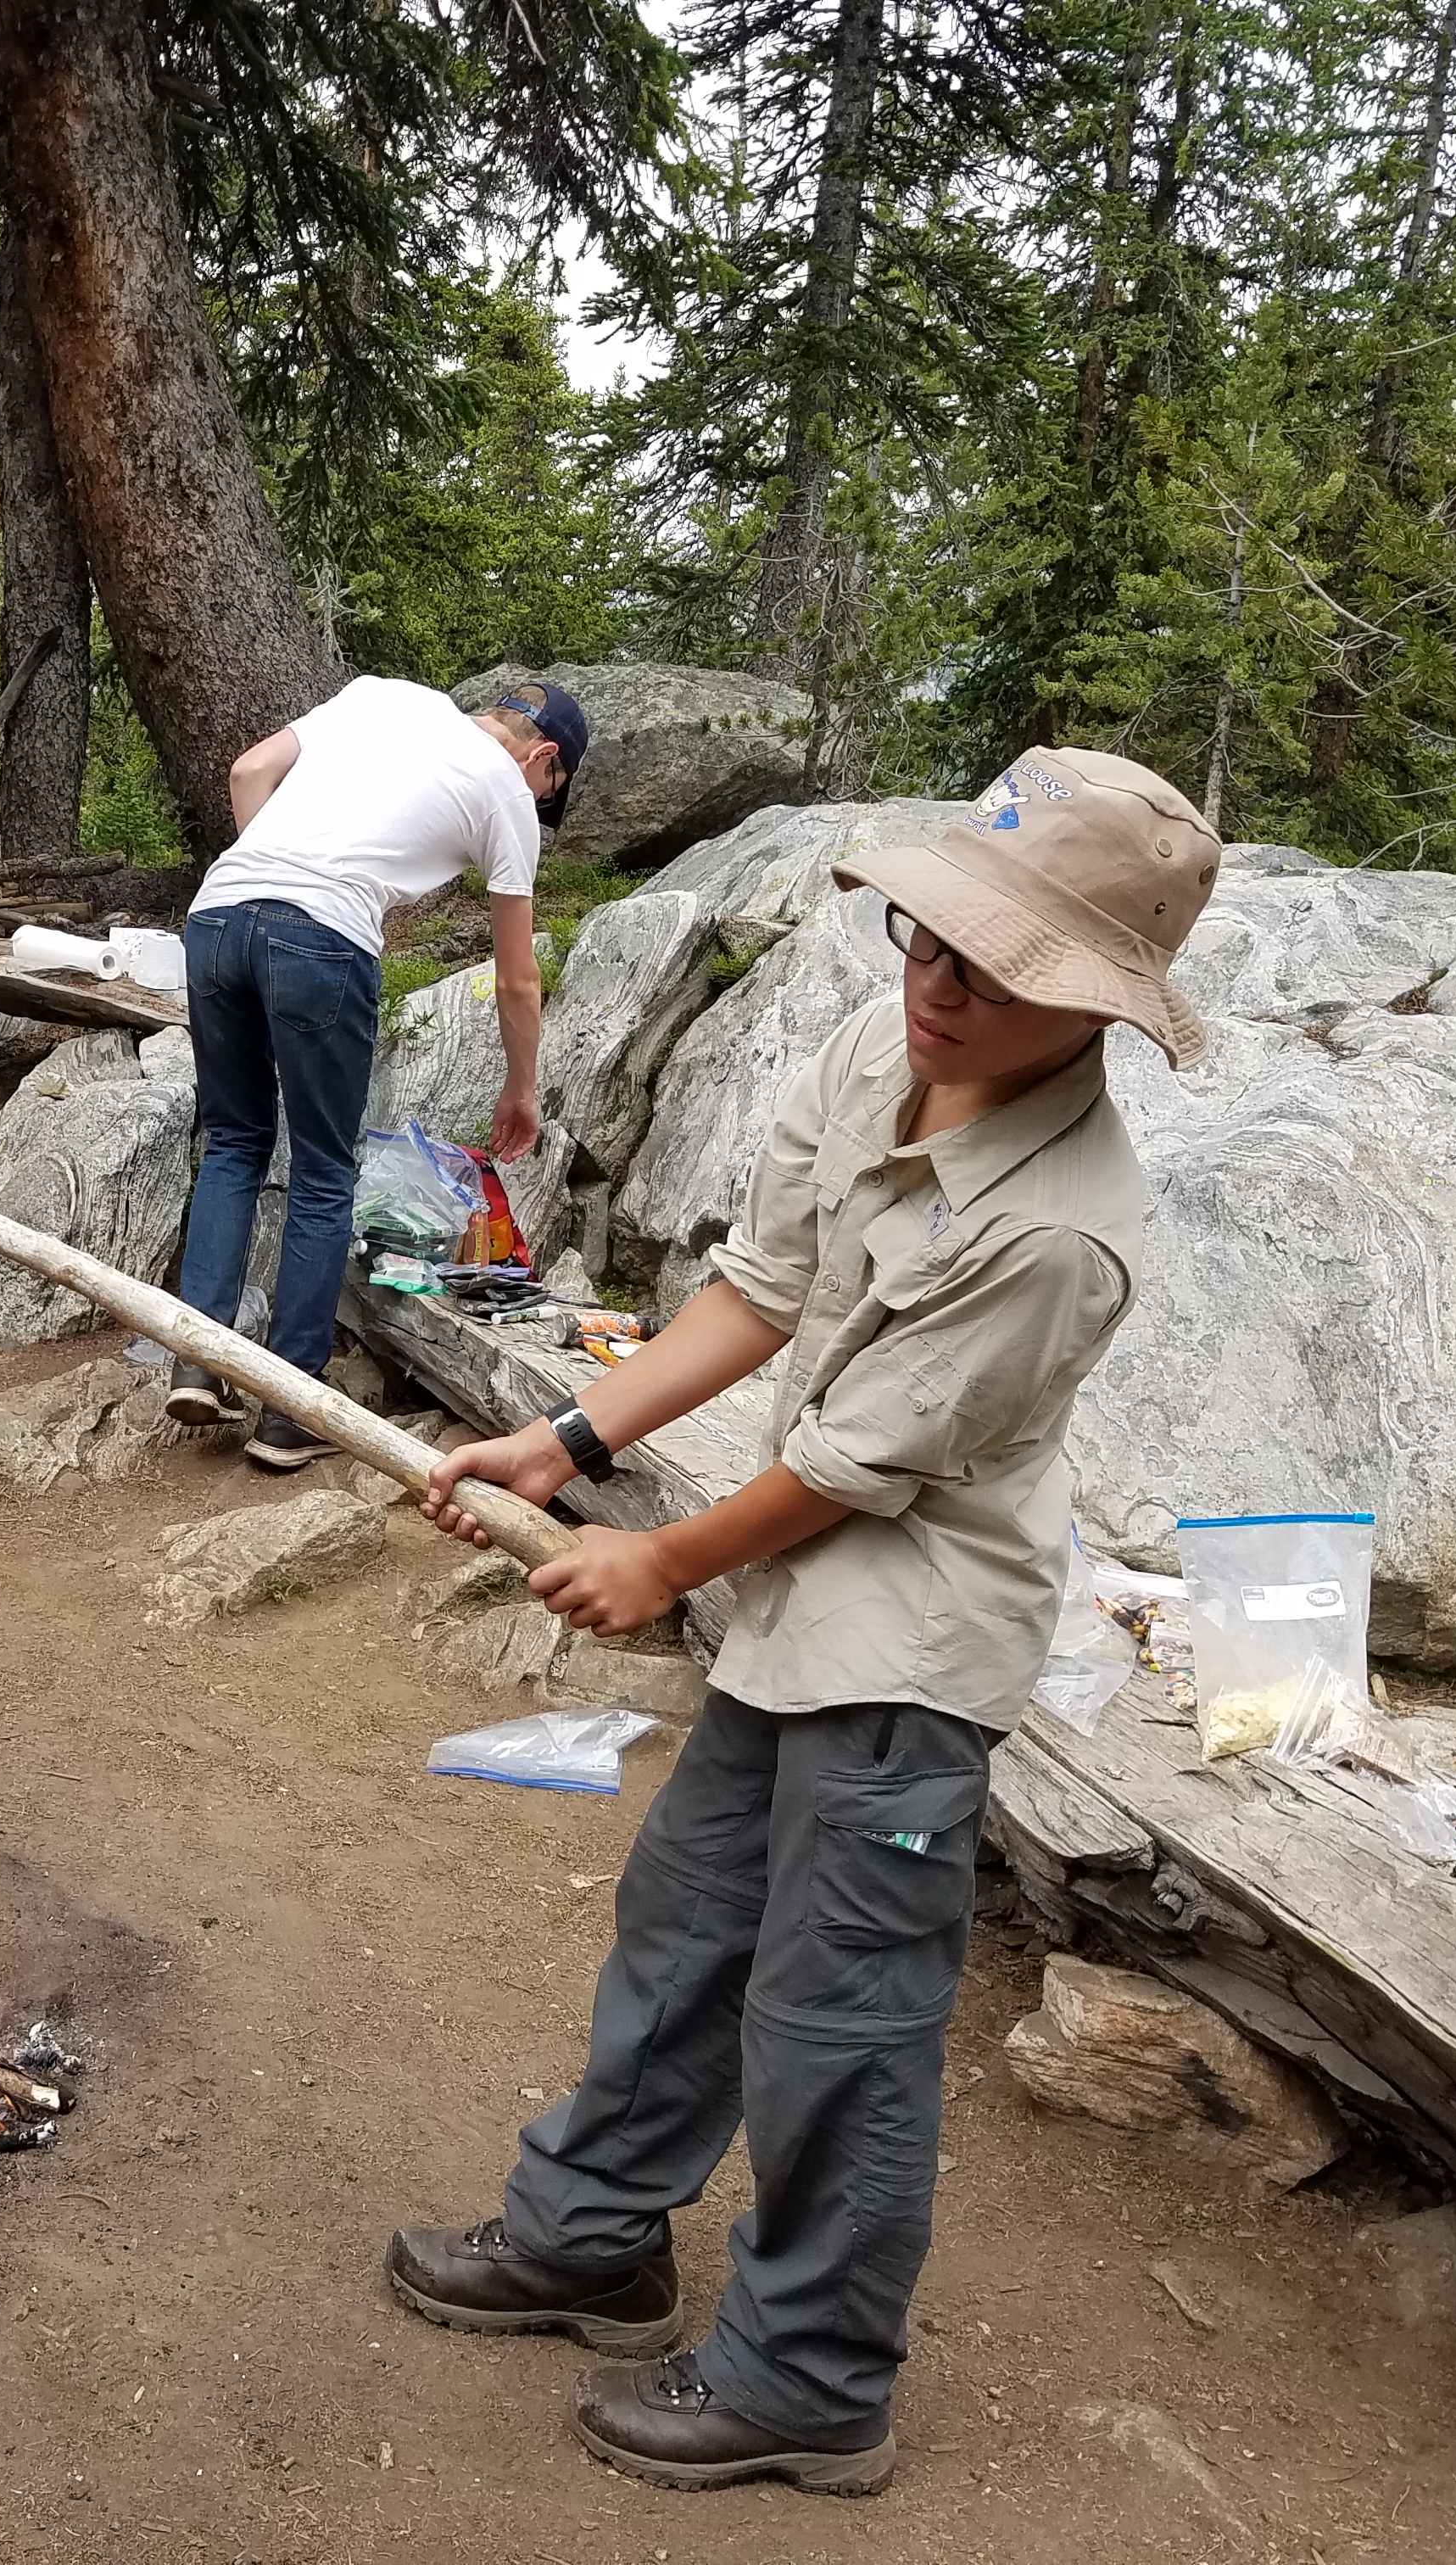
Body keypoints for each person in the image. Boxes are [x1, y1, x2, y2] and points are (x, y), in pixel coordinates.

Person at [386, 746, 1224, 2496]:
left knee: (838, 2021)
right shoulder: (885, 1049)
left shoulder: (1065, 1231)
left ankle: (814, 2376)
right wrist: (567, 1440)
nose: (935, 986)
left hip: (909, 1653)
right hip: (787, 1612)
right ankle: (593, 2234)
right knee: (688, 1930)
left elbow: (860, 1467)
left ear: (1086, 1006)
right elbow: (762, 1288)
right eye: (927, 939)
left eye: (991, 973)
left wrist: (661, 1562)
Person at [164, 674, 589, 1468]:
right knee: (326, 1171)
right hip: (322, 938)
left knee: (234, 1140)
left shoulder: (381, 697)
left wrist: (270, 889)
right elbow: (518, 977)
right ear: (545, 757)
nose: (537, 808)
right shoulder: (504, 793)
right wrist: (521, 1088)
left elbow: (248, 773)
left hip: (218, 914)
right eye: (548, 793)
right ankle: (291, 1410)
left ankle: (197, 1359)